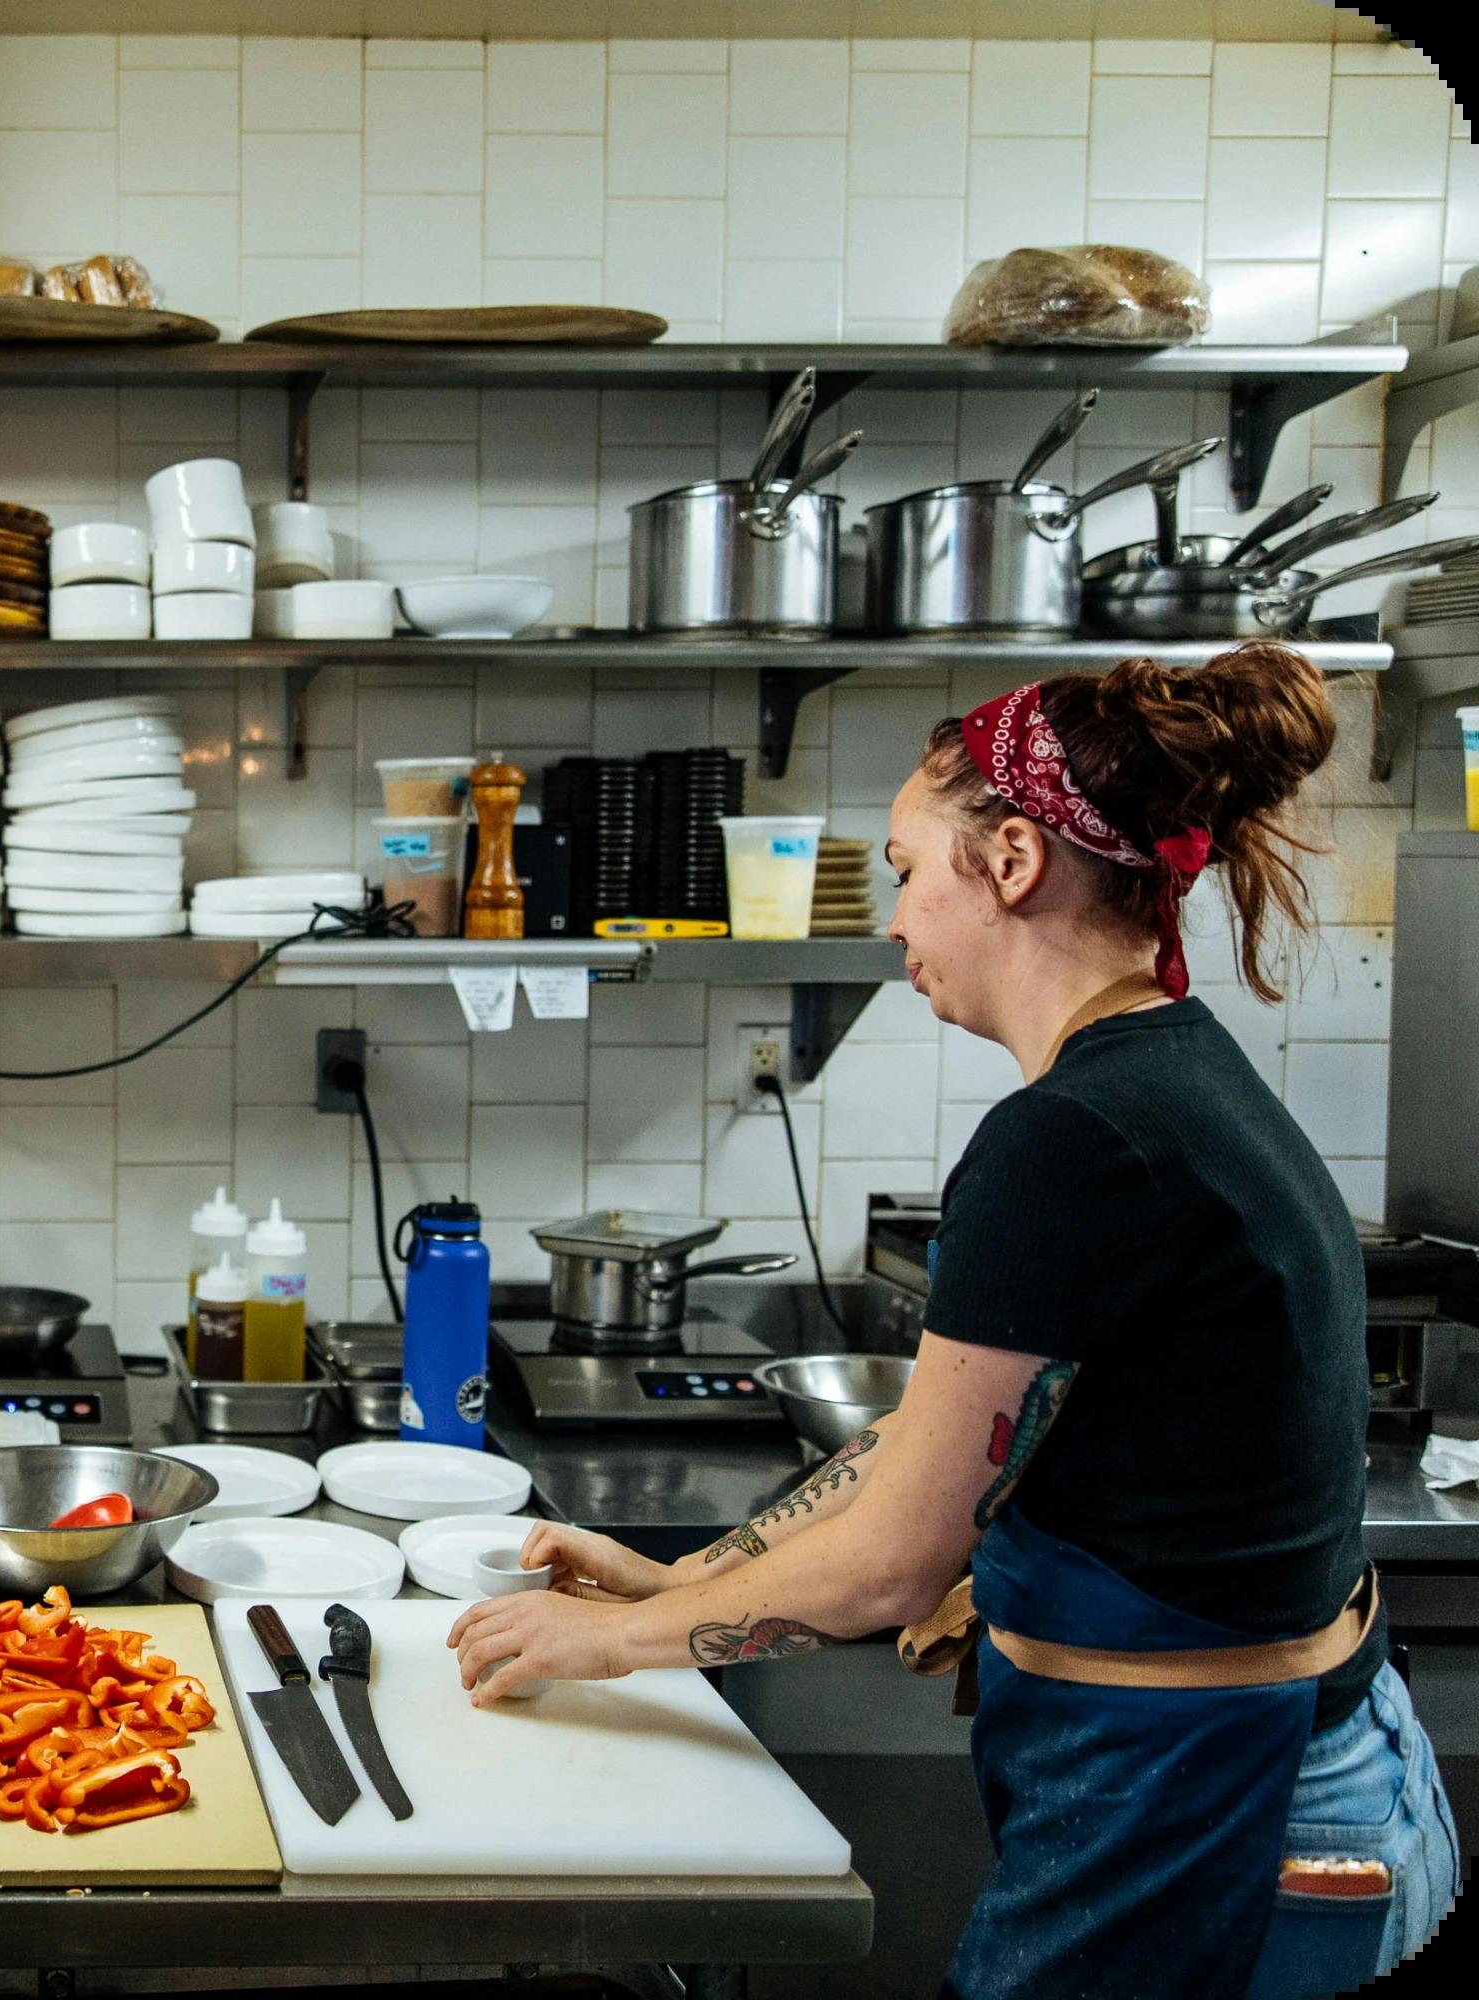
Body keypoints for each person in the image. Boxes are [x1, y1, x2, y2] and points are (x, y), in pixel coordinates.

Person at [445, 647, 1459, 1999]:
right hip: (1226, 1775)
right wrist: (689, 1584)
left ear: (1016, 864)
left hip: (1223, 1806)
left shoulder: (1077, 1138)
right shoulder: (1157, 1077)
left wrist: (608, 1640)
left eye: (910, 868)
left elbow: (889, 1566)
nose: (898, 918)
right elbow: (930, 1452)